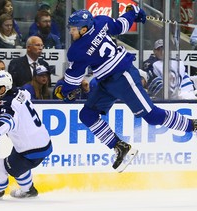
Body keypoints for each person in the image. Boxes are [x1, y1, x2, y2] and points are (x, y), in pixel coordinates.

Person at [54, 7, 197, 173]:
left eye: (73, 29)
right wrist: (133, 13)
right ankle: (120, 147)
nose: (71, 33)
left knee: (151, 115)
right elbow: (121, 25)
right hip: (106, 82)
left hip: (124, 77)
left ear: (83, 29)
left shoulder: (77, 50)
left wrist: (62, 91)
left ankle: (192, 125)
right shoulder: (100, 22)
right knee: (87, 115)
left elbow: (73, 80)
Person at [0, 70, 52, 200]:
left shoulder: (8, 106)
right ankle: (28, 190)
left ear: (3, 88)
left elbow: (7, 120)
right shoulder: (20, 92)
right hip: (42, 143)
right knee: (17, 163)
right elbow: (12, 105)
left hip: (30, 150)